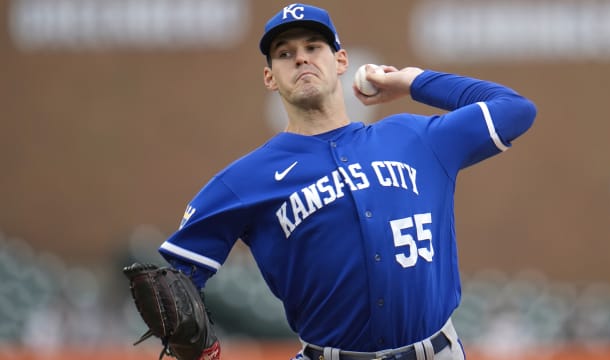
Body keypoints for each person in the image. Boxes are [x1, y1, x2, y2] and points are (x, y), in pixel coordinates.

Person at [157, 3, 536, 360]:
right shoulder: (246, 179)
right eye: (285, 53)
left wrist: (411, 81)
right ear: (270, 77)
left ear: (341, 60)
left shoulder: (415, 138)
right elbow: (169, 282)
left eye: (313, 46)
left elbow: (515, 110)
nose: (301, 57)